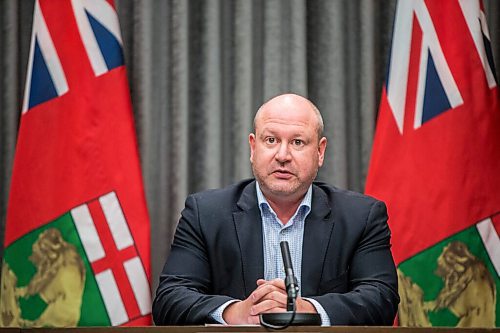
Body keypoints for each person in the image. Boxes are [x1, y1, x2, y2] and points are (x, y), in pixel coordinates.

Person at [152, 93, 399, 326]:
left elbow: (382, 299)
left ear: (320, 152)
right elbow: (169, 300)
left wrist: (308, 309)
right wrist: (235, 312)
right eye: (271, 140)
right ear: (253, 147)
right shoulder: (205, 213)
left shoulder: (361, 216)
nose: (283, 155)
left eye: (297, 142)